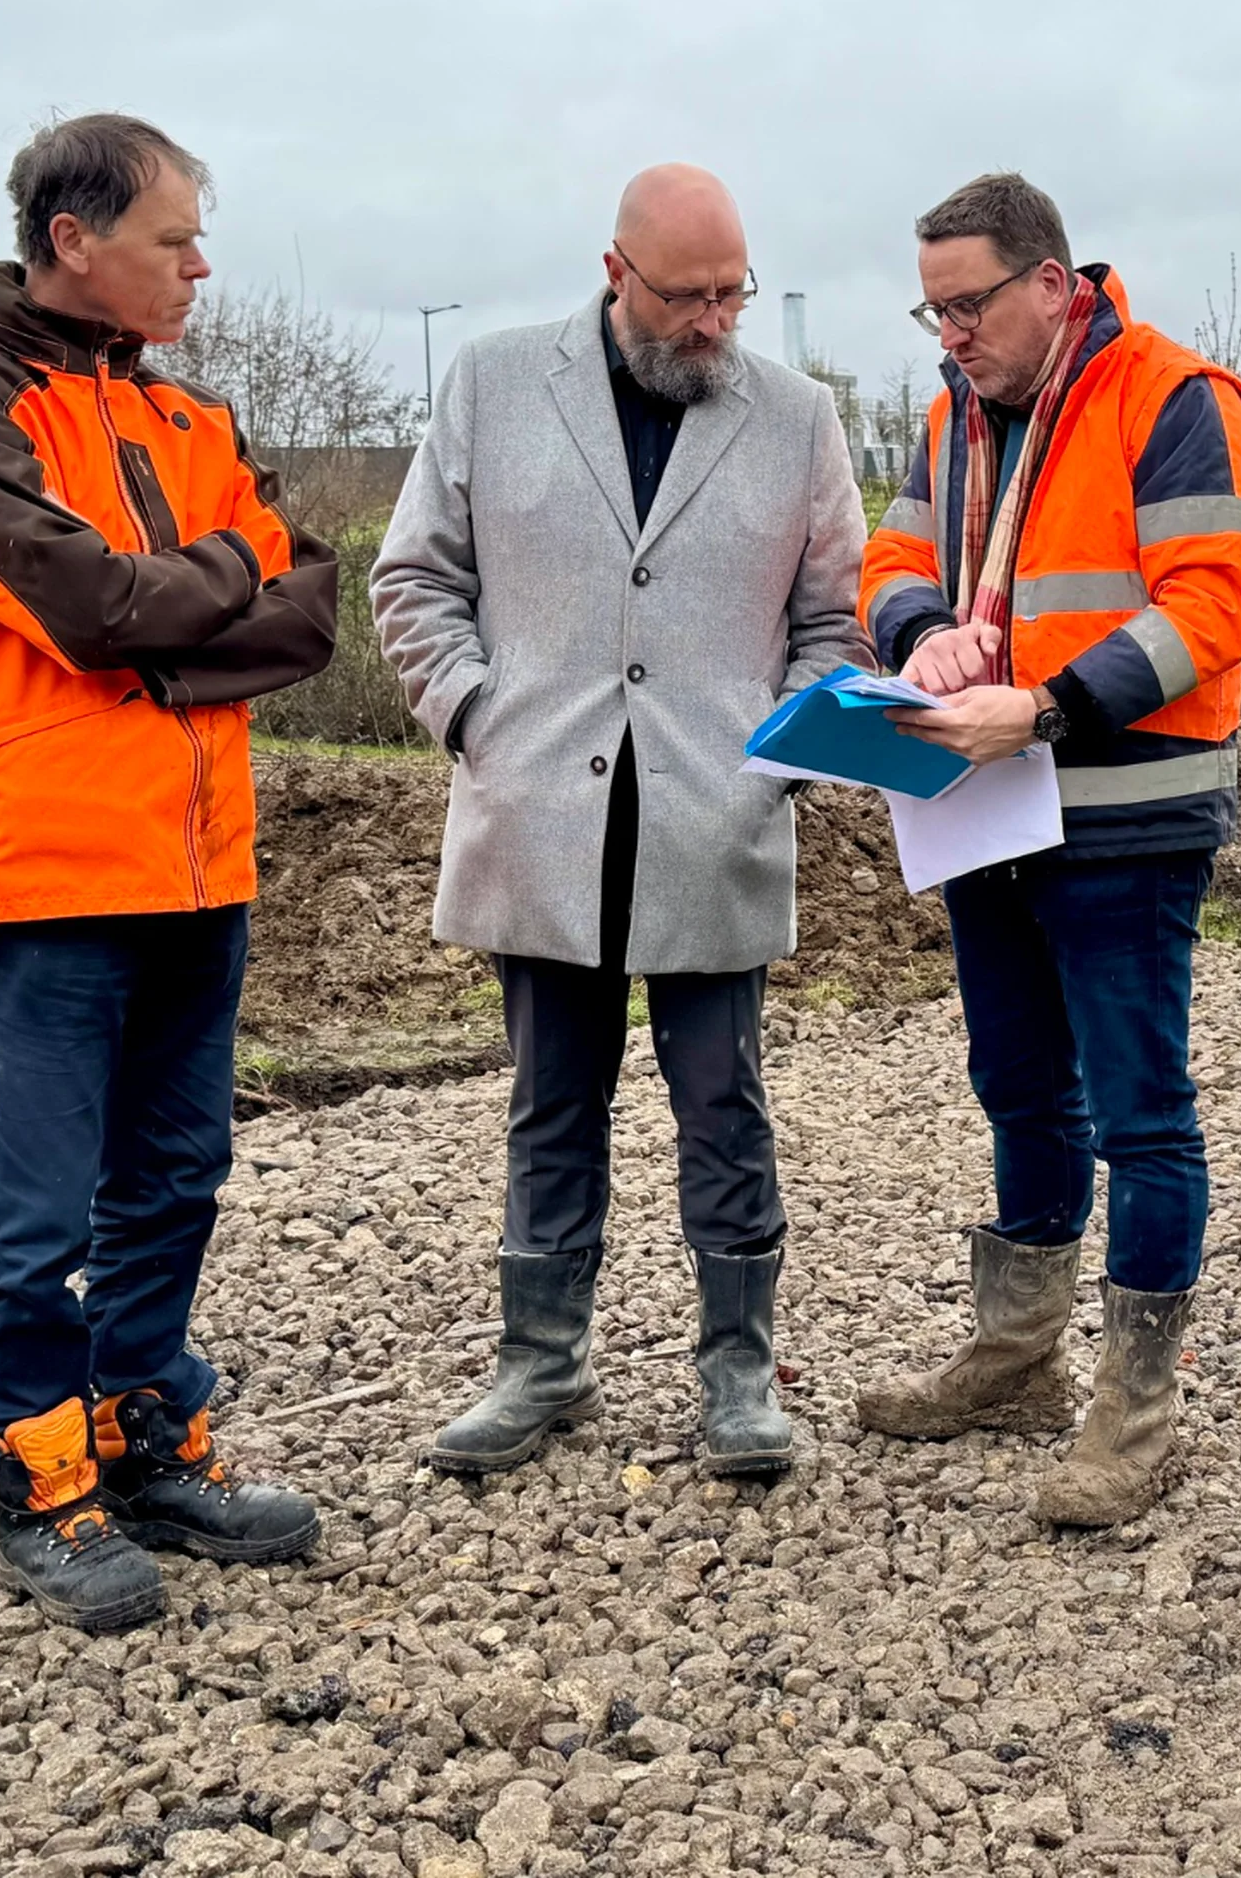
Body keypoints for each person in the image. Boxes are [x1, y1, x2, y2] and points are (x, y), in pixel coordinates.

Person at [371, 165, 868, 1481]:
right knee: (550, 1105)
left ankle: (739, 1375)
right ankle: (539, 1365)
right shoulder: (490, 381)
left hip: (716, 820)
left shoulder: (799, 418)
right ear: (616, 273)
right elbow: (414, 574)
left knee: (725, 1105)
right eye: (688, 295)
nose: (716, 321)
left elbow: (834, 621)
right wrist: (476, 715)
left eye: (732, 293)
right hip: (540, 819)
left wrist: (779, 758)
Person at [855, 172, 1241, 1528]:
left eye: (967, 304)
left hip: (1125, 808)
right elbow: (892, 558)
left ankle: (1138, 1416)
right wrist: (922, 633)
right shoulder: (954, 416)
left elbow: (1213, 605)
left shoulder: (1176, 398)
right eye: (932, 311)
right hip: (985, 804)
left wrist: (1042, 705)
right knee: (1018, 1084)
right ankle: (1021, 1359)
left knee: (1142, 1110)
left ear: (1053, 284)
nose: (949, 334)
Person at [0, 115, 337, 1631]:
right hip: (46, 882)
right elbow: (85, 605)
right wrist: (200, 600)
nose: (199, 266)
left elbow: (310, 608)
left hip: (203, 871)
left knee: (176, 1181)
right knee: (31, 1217)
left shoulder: (194, 418)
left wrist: (166, 637)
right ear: (74, 240)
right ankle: (32, 1483)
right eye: (171, 240)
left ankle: (141, 1445)